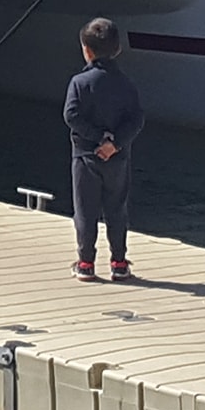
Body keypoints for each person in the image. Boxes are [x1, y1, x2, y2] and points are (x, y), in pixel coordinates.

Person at [64, 16, 144, 281]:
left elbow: (71, 116)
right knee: (116, 209)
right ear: (118, 49)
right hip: (117, 157)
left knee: (85, 211)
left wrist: (98, 138)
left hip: (85, 155)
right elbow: (136, 119)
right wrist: (115, 143)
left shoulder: (79, 82)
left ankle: (86, 263)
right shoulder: (127, 84)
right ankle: (119, 262)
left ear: (86, 50)